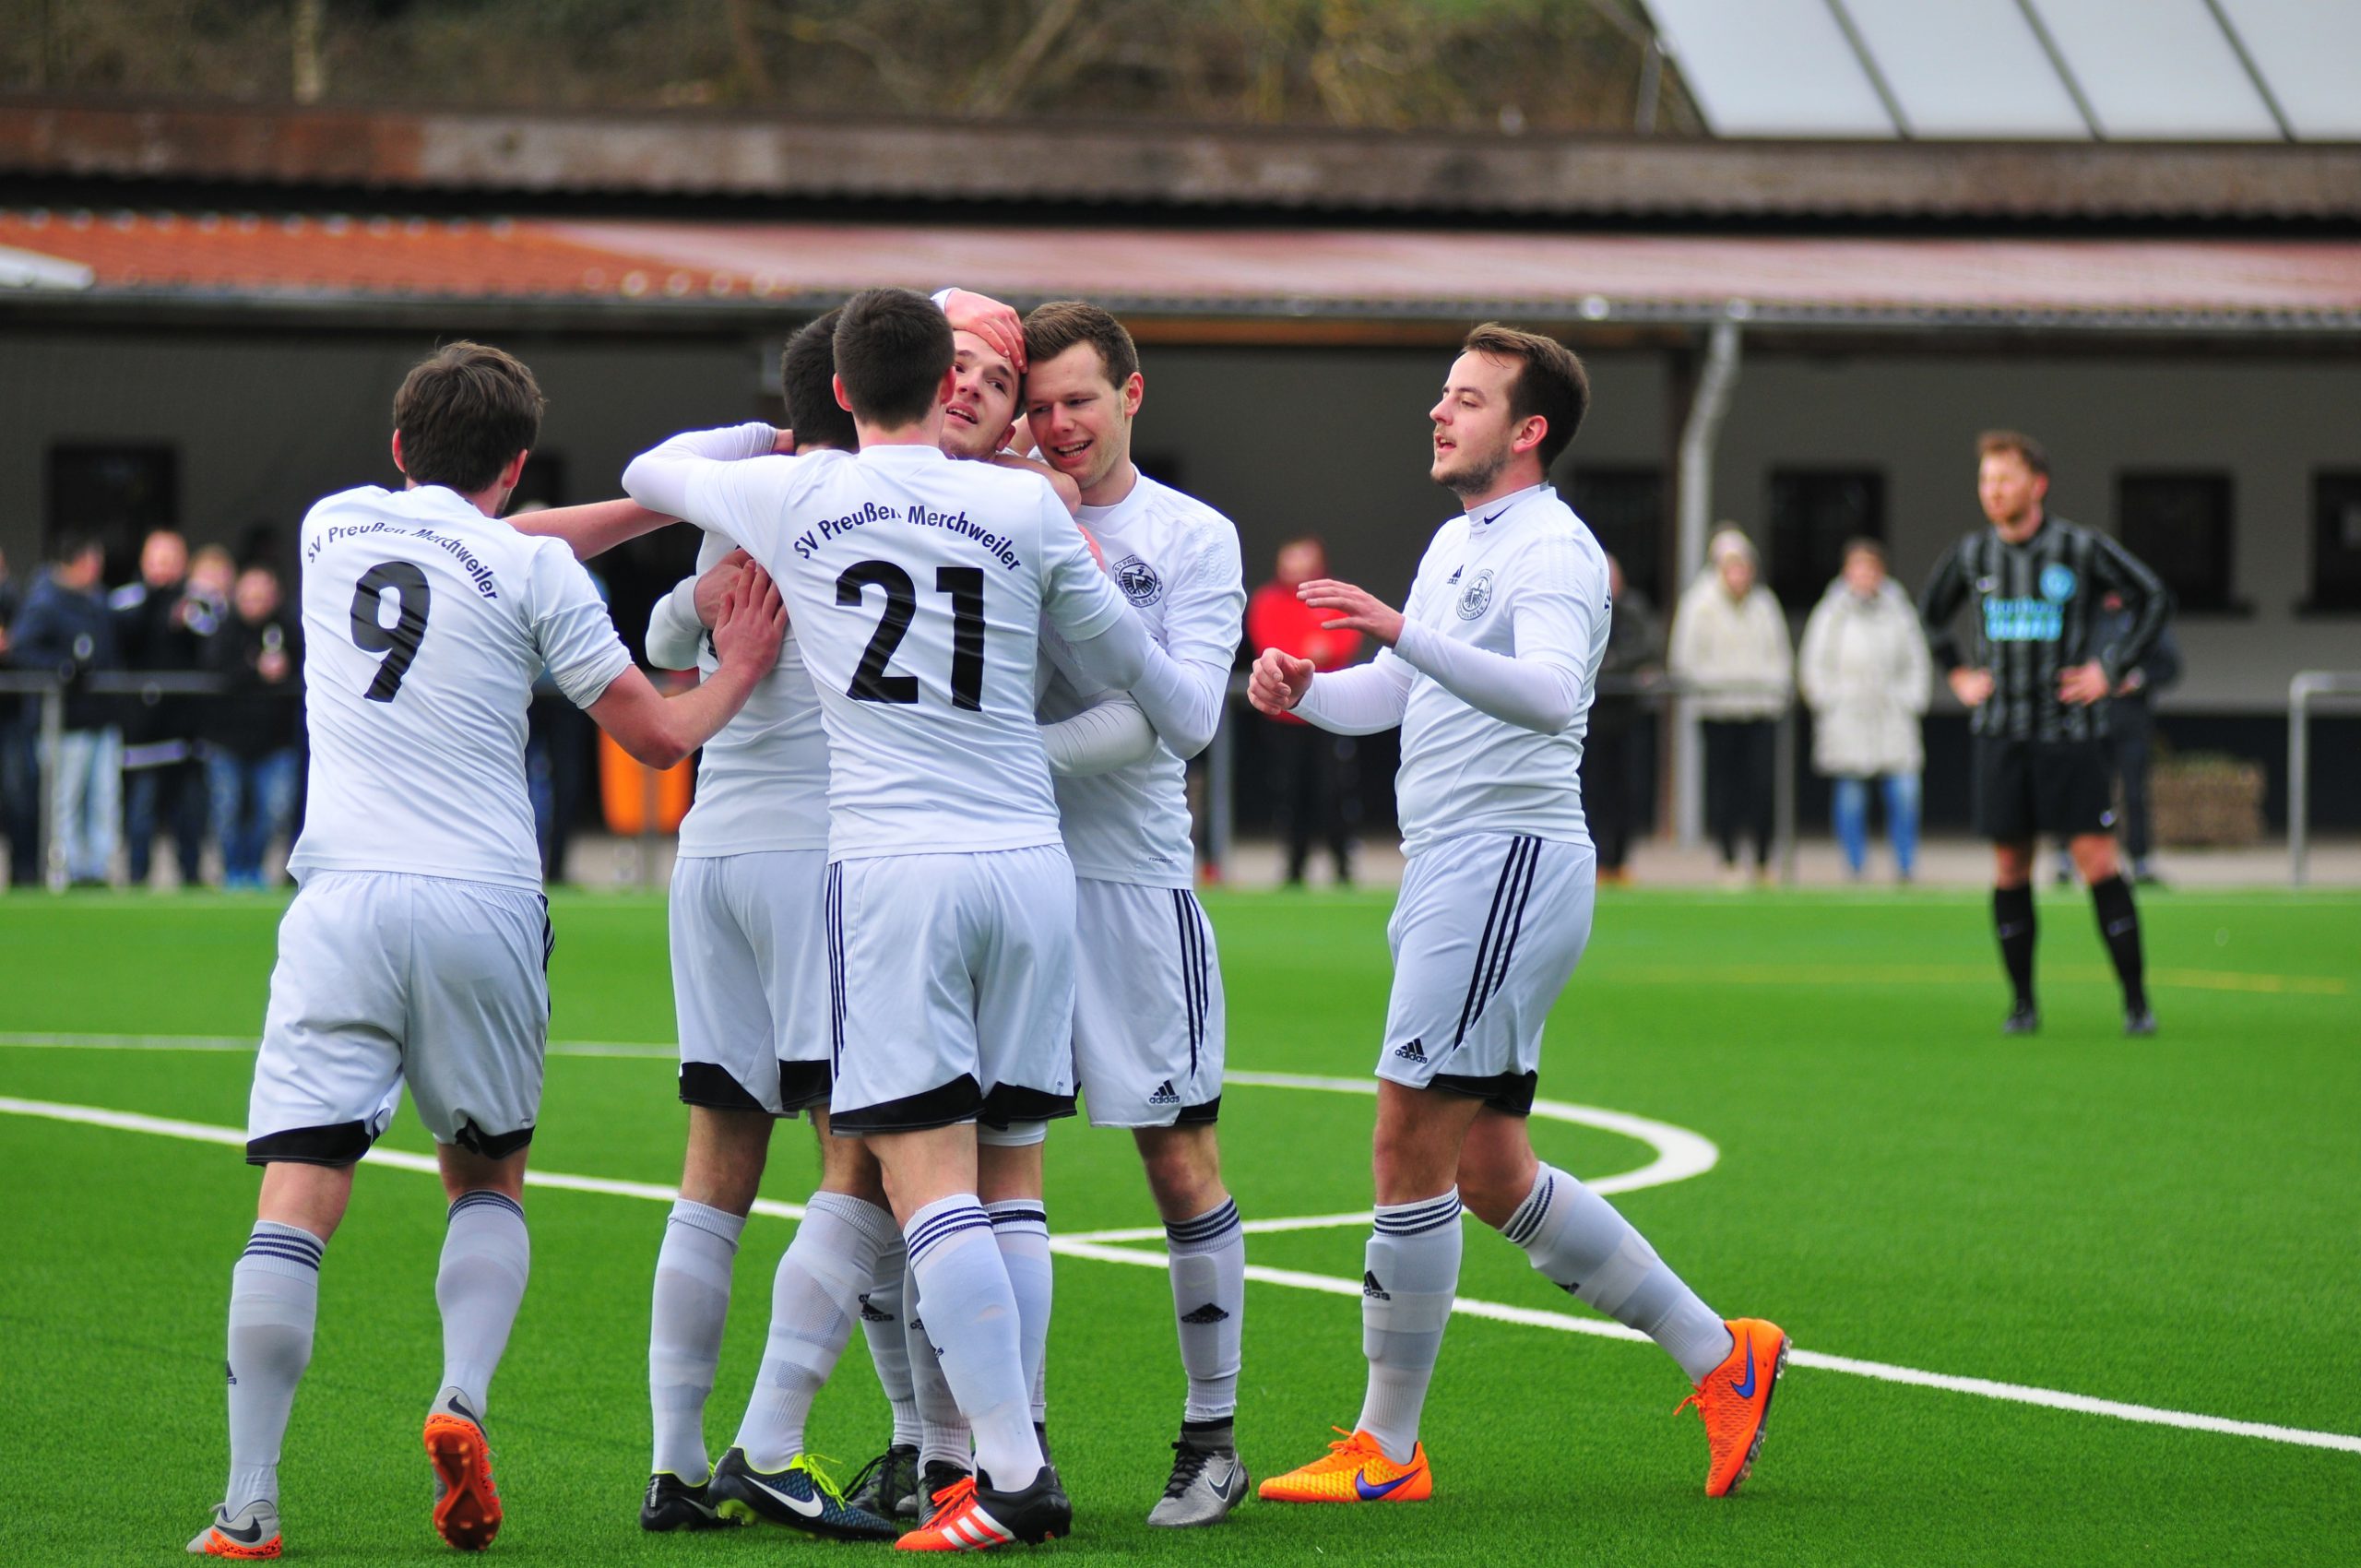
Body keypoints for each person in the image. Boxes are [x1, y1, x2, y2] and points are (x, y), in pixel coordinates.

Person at [184, 340, 783, 1561]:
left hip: (340, 898)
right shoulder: (537, 576)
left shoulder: (330, 523)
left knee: (299, 1193)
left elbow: (502, 527)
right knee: (487, 1176)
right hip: (482, 904)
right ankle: (460, 1400)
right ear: (516, 464)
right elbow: (661, 738)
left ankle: (247, 1506)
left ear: (402, 448)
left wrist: (661, 493)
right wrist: (741, 668)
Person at [623, 286, 1195, 1553]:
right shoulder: (1023, 505)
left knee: (872, 1174)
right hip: (1008, 865)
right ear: (947, 383)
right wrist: (1183, 704)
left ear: (833, 393)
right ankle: (963, 1455)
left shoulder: (788, 497)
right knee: (982, 1172)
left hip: (840, 869)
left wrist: (752, 457)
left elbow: (651, 511)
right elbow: (1146, 684)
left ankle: (948, 1468)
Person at [1246, 323, 1786, 1506]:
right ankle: (1722, 1354)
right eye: (1442, 393)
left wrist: (1401, 630)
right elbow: (1396, 690)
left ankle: (1388, 1448)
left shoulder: (1554, 548)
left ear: (1527, 428)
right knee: (1488, 1167)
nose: (1440, 413)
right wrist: (1307, 693)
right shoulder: (1457, 541)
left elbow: (1549, 696)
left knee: (1403, 1137)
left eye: (1468, 398)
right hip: (1455, 869)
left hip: (1503, 866)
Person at [1022, 298, 1254, 1526]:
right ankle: (1016, 1449)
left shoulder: (1193, 535)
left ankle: (1210, 1438)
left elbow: (1175, 718)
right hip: (1000, 885)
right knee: (1000, 1171)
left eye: (1080, 400)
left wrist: (1003, 753)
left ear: (1131, 395)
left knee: (1176, 1159)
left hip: (1132, 891)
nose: (1058, 424)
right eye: (1041, 404)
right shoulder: (992, 503)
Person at [1918, 429, 2168, 1037]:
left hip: (2069, 733)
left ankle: (2136, 1003)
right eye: (1985, 480)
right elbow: (1929, 614)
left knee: (2096, 860)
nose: (1992, 490)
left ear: (2037, 485)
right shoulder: (1973, 555)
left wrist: (2109, 670)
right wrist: (1957, 675)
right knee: (2010, 865)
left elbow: (2153, 597)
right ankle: (2023, 1005)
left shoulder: (2079, 549)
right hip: (2001, 734)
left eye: (2003, 479)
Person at [1797, 539, 1930, 883]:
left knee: (1904, 793)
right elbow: (1814, 663)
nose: (1864, 575)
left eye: (1871, 568)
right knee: (1851, 799)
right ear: (1846, 572)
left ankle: (1905, 866)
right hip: (1848, 720)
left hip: (1891, 719)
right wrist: (1829, 700)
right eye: (1858, 568)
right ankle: (1855, 867)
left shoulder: (1899, 611)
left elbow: (1916, 661)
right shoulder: (1831, 613)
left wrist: (1909, 700)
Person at [1669, 529, 1791, 885]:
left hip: (1759, 711)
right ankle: (1728, 859)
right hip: (1718, 713)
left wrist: (1769, 694)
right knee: (1724, 787)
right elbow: (1686, 658)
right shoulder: (1699, 604)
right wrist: (1716, 689)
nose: (1739, 575)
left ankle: (1766, 861)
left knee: (1762, 786)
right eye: (1731, 567)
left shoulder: (1765, 605)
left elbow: (1779, 656)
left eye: (1744, 567)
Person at [1247, 537, 1362, 886]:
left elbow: (1345, 638)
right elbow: (1269, 644)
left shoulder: (1333, 596)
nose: (1295, 566)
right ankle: (1294, 869)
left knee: (1334, 790)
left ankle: (1343, 868)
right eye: (1290, 558)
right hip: (1285, 717)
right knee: (1290, 791)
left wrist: (1315, 652)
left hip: (1329, 711)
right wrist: (1308, 652)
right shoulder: (1267, 601)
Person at [10, 531, 123, 885]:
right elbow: (22, 650)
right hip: (63, 720)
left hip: (100, 715)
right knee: (65, 799)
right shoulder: (44, 600)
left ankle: (97, 869)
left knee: (103, 798)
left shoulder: (99, 600)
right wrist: (61, 667)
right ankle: (65, 870)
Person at [2055, 591, 2181, 887]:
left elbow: (2171, 667)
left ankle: (2140, 862)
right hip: (2089, 720)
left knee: (2134, 792)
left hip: (2131, 721)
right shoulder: (2085, 618)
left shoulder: (2143, 620)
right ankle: (2066, 859)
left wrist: (2137, 680)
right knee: (2081, 791)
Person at [113, 528, 215, 888]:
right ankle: (136, 880)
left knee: (189, 815)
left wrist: (186, 616)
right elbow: (121, 640)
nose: (164, 568)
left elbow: (213, 640)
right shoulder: (125, 601)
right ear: (144, 562)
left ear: (183, 562)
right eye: (157, 560)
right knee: (140, 814)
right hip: (142, 734)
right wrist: (156, 604)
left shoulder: (200, 601)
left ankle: (193, 880)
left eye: (171, 560)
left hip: (185, 734)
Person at [200, 563, 304, 889]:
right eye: (249, 596)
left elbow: (308, 670)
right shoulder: (225, 629)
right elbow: (216, 670)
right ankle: (234, 870)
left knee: (275, 812)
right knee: (226, 813)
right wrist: (254, 668)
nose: (256, 603)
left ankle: (256, 868)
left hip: (276, 742)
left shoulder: (291, 628)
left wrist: (284, 671)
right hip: (227, 740)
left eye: (263, 596)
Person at [1584, 552, 1660, 885]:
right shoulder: (1586, 609)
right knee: (1593, 791)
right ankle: (1597, 860)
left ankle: (1620, 860)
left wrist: (1613, 663)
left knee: (1627, 792)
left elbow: (1647, 648)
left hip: (1628, 719)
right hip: (1593, 721)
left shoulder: (1635, 611)